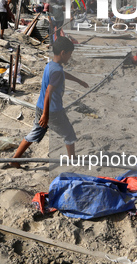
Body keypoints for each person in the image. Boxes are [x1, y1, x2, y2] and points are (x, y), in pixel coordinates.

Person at [8, 36, 89, 169]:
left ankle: (14, 159)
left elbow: (62, 74)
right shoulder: (57, 70)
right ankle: (72, 159)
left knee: (34, 133)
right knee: (69, 134)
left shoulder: (51, 65)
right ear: (63, 53)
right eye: (69, 54)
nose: (70, 57)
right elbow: (48, 93)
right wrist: (46, 115)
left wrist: (78, 81)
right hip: (52, 111)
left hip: (40, 107)